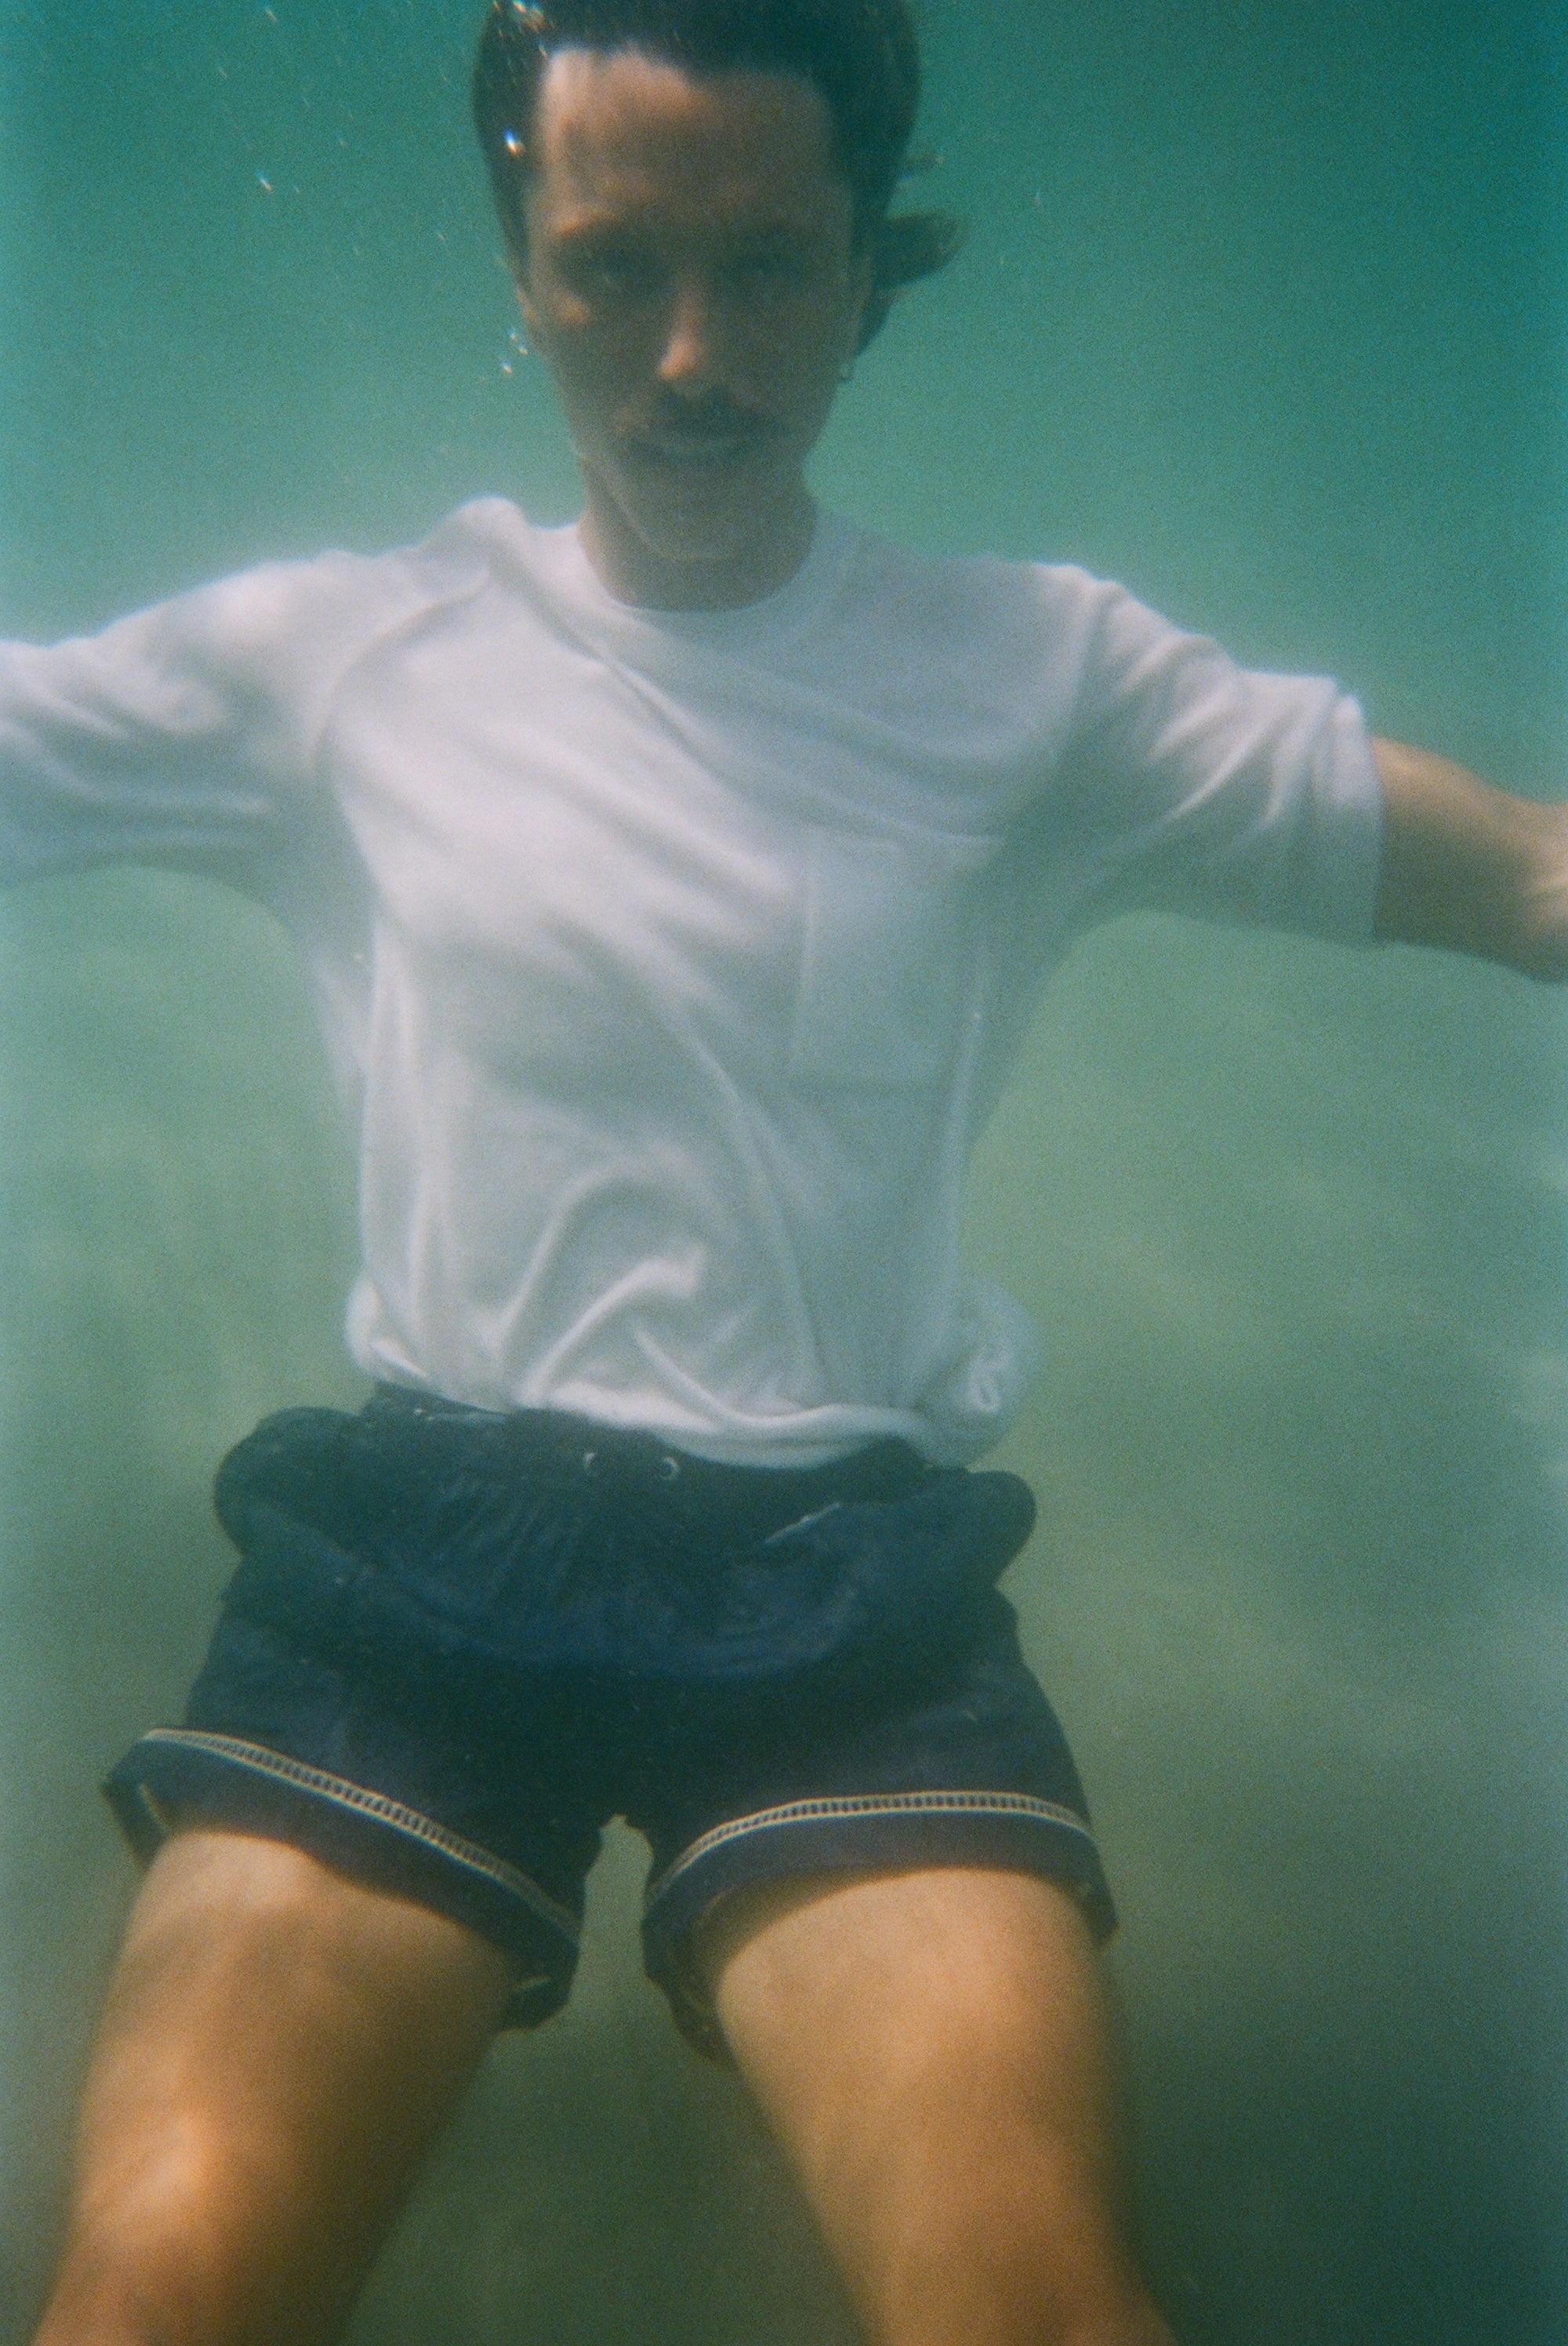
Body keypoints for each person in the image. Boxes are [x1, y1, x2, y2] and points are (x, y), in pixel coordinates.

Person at [9, 2, 1563, 2342]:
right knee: (152, 2297)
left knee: (1037, 2309)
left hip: (845, 1604)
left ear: (869, 270)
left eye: (770, 265)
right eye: (615, 264)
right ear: (519, 254)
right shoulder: (338, 660)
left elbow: (1533, 880)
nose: (696, 357)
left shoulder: (1039, 677)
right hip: (419, 1571)